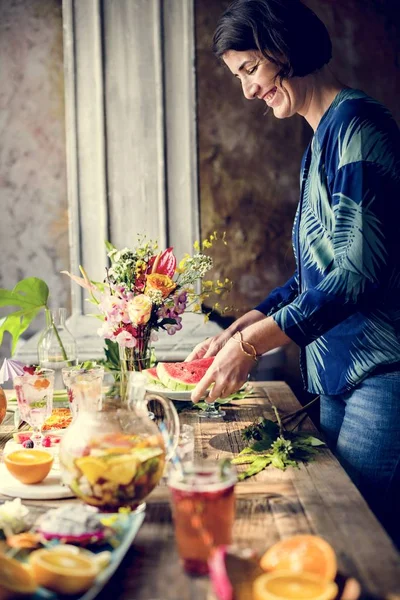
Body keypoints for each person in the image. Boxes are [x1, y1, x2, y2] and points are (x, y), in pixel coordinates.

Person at [188, 0, 400, 545]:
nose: (249, 91)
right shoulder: (320, 138)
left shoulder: (358, 126)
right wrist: (243, 325)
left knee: (359, 539)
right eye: (239, 77)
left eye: (251, 70)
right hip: (335, 372)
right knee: (331, 533)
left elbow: (355, 273)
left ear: (284, 50)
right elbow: (314, 274)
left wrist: (255, 345)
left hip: (382, 371)